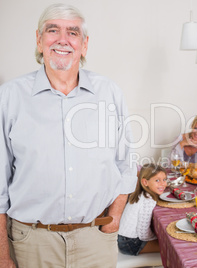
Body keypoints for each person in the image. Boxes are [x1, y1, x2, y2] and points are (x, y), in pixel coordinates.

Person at [0, 4, 137, 267]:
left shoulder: (109, 93)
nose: (63, 39)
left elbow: (127, 163)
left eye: (72, 33)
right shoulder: (9, 97)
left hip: (96, 238)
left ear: (84, 45)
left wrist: (115, 217)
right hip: (32, 242)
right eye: (53, 30)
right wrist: (3, 254)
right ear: (39, 40)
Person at [118, 164, 167, 255]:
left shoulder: (142, 194)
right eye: (157, 180)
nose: (163, 184)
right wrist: (156, 237)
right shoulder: (147, 200)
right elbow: (143, 233)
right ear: (145, 182)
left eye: (164, 179)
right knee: (169, 247)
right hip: (130, 243)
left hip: (123, 238)